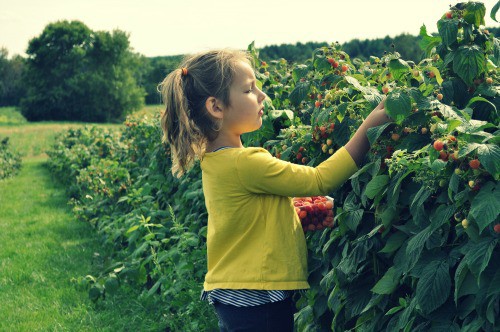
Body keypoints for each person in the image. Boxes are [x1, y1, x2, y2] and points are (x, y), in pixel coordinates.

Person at [159, 49, 391, 331]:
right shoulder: (245, 163)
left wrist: (294, 215)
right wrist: (370, 127)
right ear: (216, 107)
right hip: (258, 298)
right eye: (249, 89)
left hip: (236, 295)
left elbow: (246, 219)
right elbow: (320, 179)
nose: (262, 96)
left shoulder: (216, 160)